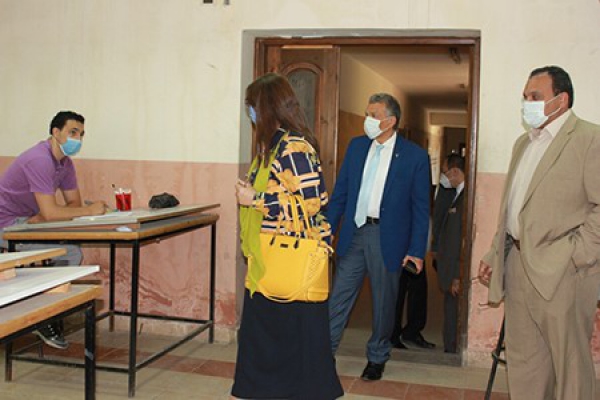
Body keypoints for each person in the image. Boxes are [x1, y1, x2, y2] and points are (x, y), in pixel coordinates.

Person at [478, 66, 600, 400]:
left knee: (570, 365)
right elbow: (511, 208)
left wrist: (577, 255)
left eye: (535, 97)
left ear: (561, 100)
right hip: (518, 265)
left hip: (564, 271)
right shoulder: (524, 144)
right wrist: (494, 254)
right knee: (525, 362)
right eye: (525, 97)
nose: (527, 103)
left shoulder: (590, 139)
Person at [232, 73, 343, 400]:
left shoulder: (293, 146)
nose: (249, 113)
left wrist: (256, 199)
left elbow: (312, 203)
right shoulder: (272, 146)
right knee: (261, 340)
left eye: (251, 106)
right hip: (267, 260)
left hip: (289, 260)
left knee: (294, 343)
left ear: (264, 108)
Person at [327, 93, 430, 381]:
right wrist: (327, 228)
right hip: (355, 233)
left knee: (384, 303)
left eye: (373, 115)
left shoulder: (415, 156)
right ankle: (324, 354)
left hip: (388, 237)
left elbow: (421, 209)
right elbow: (341, 193)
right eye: (366, 113)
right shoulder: (357, 147)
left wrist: (417, 250)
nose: (367, 120)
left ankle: (377, 357)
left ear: (390, 121)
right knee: (338, 297)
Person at [0, 110, 106, 349]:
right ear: (55, 132)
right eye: (72, 132)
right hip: (6, 224)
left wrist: (61, 212)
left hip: (26, 221)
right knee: (70, 252)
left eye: (80, 134)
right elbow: (55, 213)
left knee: (69, 247)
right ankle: (42, 315)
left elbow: (73, 205)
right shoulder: (39, 159)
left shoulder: (65, 163)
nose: (77, 139)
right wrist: (87, 211)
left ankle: (46, 310)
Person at [433, 154, 465, 353]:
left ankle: (451, 350)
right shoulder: (456, 195)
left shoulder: (463, 200)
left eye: (446, 173)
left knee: (453, 311)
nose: (445, 178)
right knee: (449, 309)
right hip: (450, 268)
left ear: (454, 172)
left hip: (455, 271)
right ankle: (449, 345)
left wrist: (456, 275)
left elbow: (459, 241)